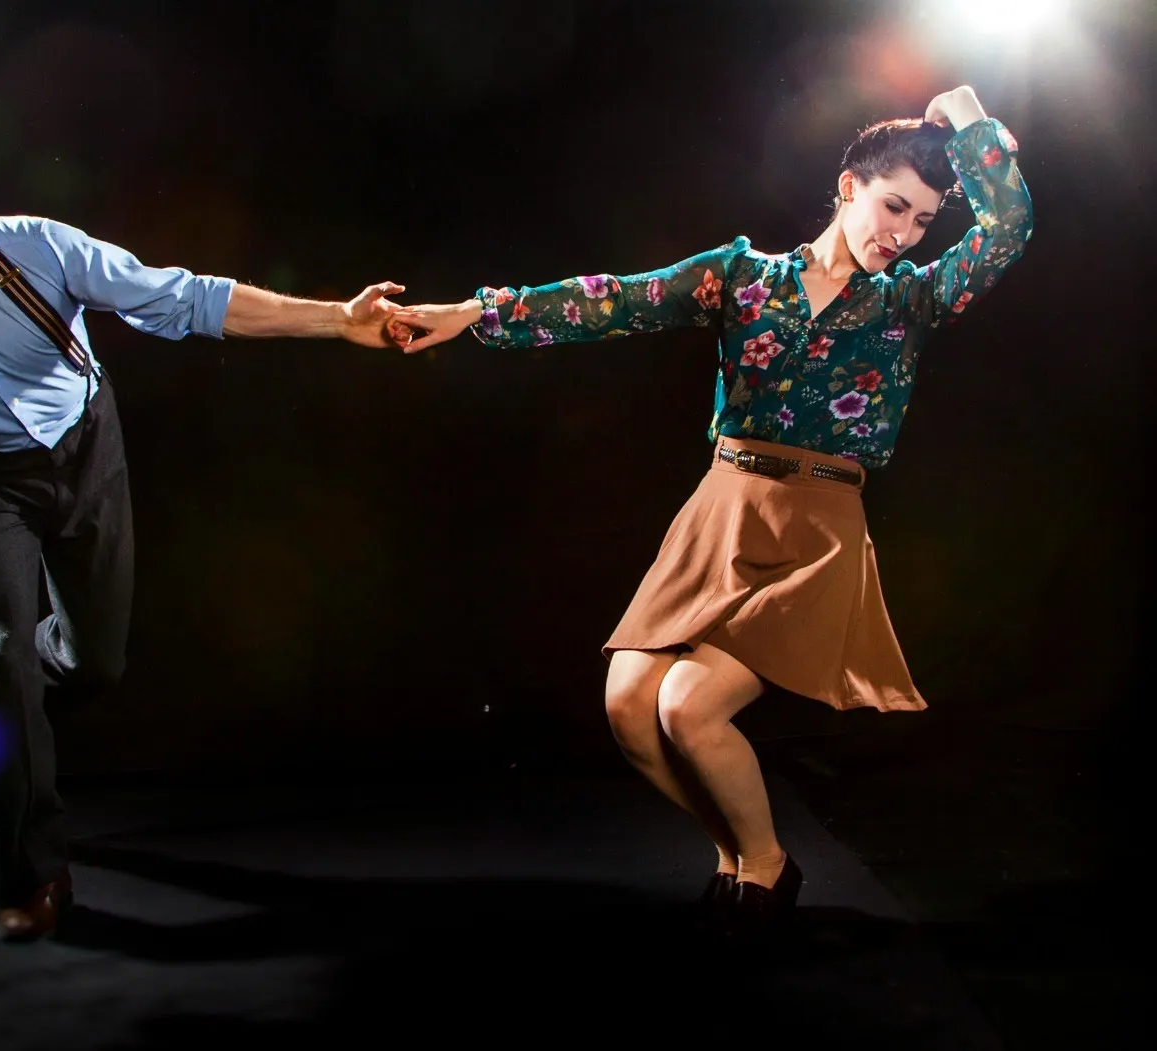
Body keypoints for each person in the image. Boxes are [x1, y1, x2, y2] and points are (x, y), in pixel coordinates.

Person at [389, 85, 1032, 938]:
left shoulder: (909, 300)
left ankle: (766, 868)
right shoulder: (742, 277)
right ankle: (735, 855)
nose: (903, 234)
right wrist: (476, 313)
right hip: (722, 510)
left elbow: (1008, 231)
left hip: (817, 530)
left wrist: (970, 118)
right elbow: (616, 298)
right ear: (849, 187)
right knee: (629, 705)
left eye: (920, 220)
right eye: (891, 207)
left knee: (688, 706)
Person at [0, 131, 407, 942]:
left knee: (96, 661)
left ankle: (7, 667)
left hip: (87, 449)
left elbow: (186, 298)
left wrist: (338, 319)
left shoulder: (31, 250)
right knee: (6, 665)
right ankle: (34, 874)